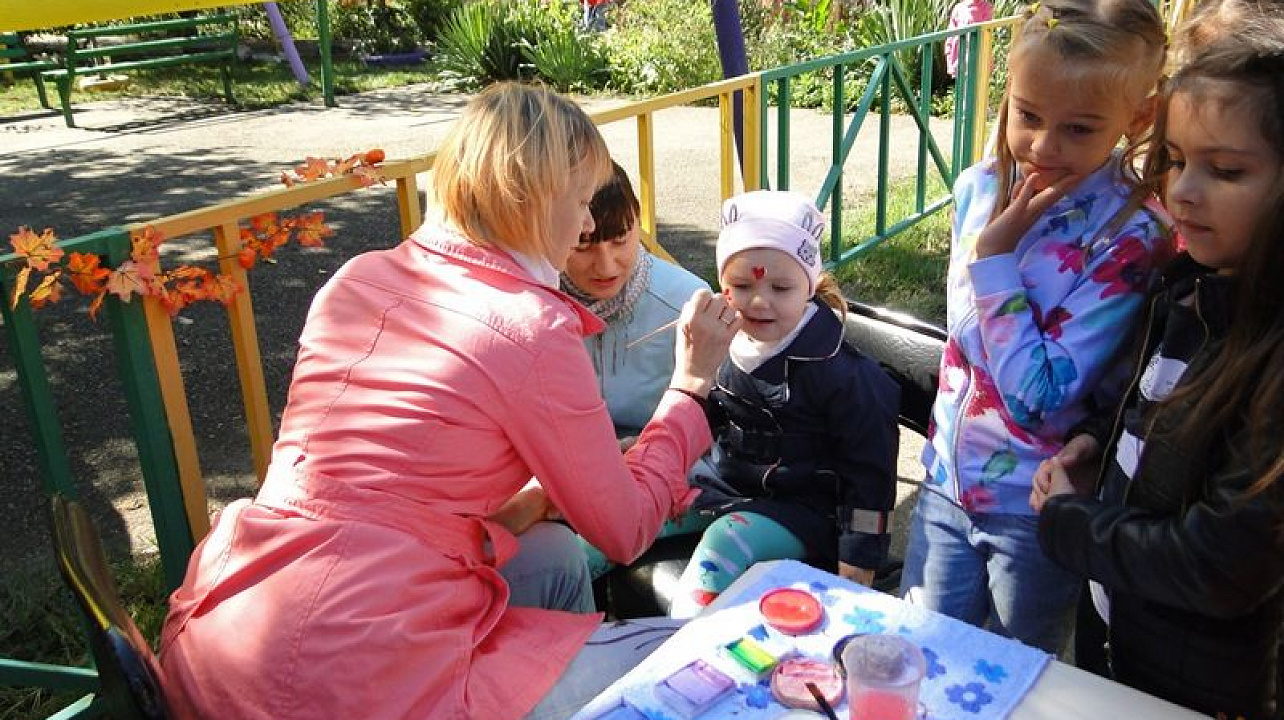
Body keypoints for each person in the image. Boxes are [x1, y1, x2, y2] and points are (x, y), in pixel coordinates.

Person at [156, 82, 742, 720]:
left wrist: (530, 505)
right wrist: (690, 387)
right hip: (356, 677)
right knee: (712, 665)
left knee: (548, 554)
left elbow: (384, 486)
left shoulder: (357, 279)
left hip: (227, 641)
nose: (582, 225)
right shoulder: (529, 325)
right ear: (534, 199)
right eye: (577, 205)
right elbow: (626, 530)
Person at [897, 0, 1172, 654]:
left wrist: (995, 262)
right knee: (921, 656)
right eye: (1028, 115)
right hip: (943, 484)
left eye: (1079, 128)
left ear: (1138, 117)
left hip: (1033, 509)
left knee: (1016, 676)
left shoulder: (1130, 237)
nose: (1043, 147)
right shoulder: (980, 186)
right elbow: (966, 351)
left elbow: (1035, 397)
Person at [1033, 19, 1284, 720]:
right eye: (1174, 159)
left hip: (1199, 688)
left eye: (1226, 171)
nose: (1184, 191)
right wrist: (1095, 446)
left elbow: (1218, 562)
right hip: (1119, 641)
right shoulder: (1187, 285)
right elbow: (1147, 407)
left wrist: (1068, 523)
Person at [667, 189, 900, 619]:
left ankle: (677, 650)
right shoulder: (724, 342)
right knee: (639, 511)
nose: (759, 300)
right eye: (741, 285)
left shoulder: (844, 375)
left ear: (808, 286)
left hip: (804, 509)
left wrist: (861, 555)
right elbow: (708, 415)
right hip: (724, 485)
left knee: (723, 543)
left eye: (781, 287)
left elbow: (871, 472)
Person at [560, 161, 715, 579]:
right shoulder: (533, 305)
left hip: (667, 479)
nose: (606, 266)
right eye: (583, 246)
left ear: (638, 221)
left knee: (569, 561)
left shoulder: (687, 303)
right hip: (571, 480)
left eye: (621, 239)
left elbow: (718, 422)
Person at [944, 0, 994, 79]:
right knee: (964, 87)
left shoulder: (985, 7)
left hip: (978, 58)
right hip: (960, 59)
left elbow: (986, 34)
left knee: (977, 86)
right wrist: (949, 56)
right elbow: (950, 37)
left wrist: (989, 60)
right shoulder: (958, 8)